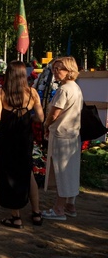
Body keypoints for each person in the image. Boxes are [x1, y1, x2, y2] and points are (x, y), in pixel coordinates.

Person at [0, 61, 45, 228]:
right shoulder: (32, 93)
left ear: (8, 74)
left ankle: (16, 217)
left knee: (9, 176)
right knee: (27, 173)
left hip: (7, 138)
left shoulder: (1, 92)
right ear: (24, 75)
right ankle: (36, 213)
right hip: (24, 138)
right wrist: (28, 117)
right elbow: (40, 118)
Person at [42, 56, 83, 221]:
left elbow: (55, 113)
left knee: (62, 172)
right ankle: (70, 205)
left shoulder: (64, 89)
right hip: (72, 134)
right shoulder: (75, 88)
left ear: (69, 71)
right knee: (71, 171)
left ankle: (58, 209)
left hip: (61, 134)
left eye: (59, 68)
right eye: (54, 68)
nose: (56, 72)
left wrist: (46, 124)